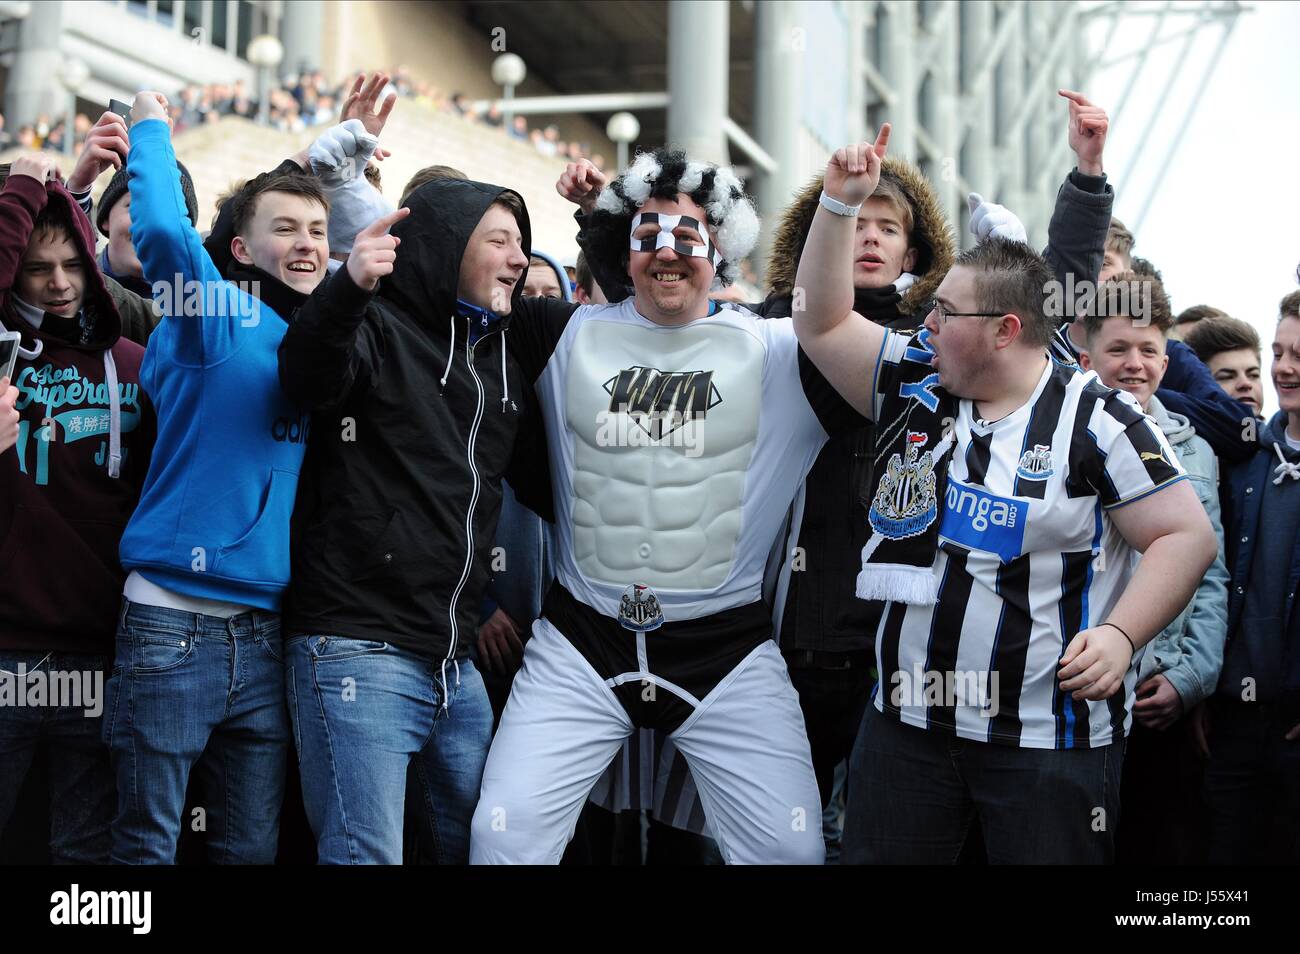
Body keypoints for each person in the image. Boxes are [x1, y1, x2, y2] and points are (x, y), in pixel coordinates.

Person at [794, 127, 1218, 864]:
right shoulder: (915, 379)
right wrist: (837, 204)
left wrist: (1121, 636)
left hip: (1047, 740)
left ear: (1004, 330)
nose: (925, 323)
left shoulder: (1098, 418)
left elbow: (1186, 536)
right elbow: (822, 320)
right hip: (907, 726)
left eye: (947, 313)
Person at [471, 147, 840, 865]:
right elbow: (447, 293)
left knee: (789, 850)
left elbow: (860, 324)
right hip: (583, 635)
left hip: (724, 644)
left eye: (686, 239)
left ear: (722, 249)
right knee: (502, 837)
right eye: (647, 237)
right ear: (623, 250)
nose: (666, 253)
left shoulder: (778, 351)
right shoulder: (558, 333)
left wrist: (845, 205)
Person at [276, 175, 538, 865]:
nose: (518, 258)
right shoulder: (376, 326)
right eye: (499, 240)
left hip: (455, 665)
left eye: (522, 243)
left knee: (481, 844)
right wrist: (348, 288)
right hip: (358, 649)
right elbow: (305, 377)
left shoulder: (501, 358)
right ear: (447, 245)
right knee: (365, 856)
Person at [102, 91, 331, 864]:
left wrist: (346, 170)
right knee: (145, 850)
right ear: (238, 248)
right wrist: (150, 127)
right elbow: (162, 228)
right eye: (286, 230)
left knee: (246, 854)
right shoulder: (215, 313)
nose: (308, 246)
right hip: (170, 626)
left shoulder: (322, 341)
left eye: (318, 232)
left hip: (264, 637)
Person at [0, 151, 153, 864]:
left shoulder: (134, 360)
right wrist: (30, 186)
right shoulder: (4, 362)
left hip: (101, 659)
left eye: (70, 265)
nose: (58, 284)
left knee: (84, 856)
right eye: (37, 269)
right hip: (6, 655)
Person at [1076, 273, 1229, 864]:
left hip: (1158, 690)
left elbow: (1210, 575)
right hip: (1079, 685)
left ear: (1168, 363)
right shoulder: (1060, 436)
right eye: (1118, 350)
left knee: (1159, 845)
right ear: (1087, 357)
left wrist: (1191, 678)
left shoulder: (1195, 449)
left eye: (1148, 351)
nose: (1134, 364)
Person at [1203, 290, 1300, 864]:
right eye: (1281, 353)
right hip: (1232, 723)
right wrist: (1202, 693)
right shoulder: (1243, 459)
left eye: (1299, 357)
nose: (1286, 369)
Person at [1181, 315, 1265, 418]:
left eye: (1253, 375)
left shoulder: (1282, 432)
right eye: (1226, 377)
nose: (1245, 384)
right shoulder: (1165, 432)